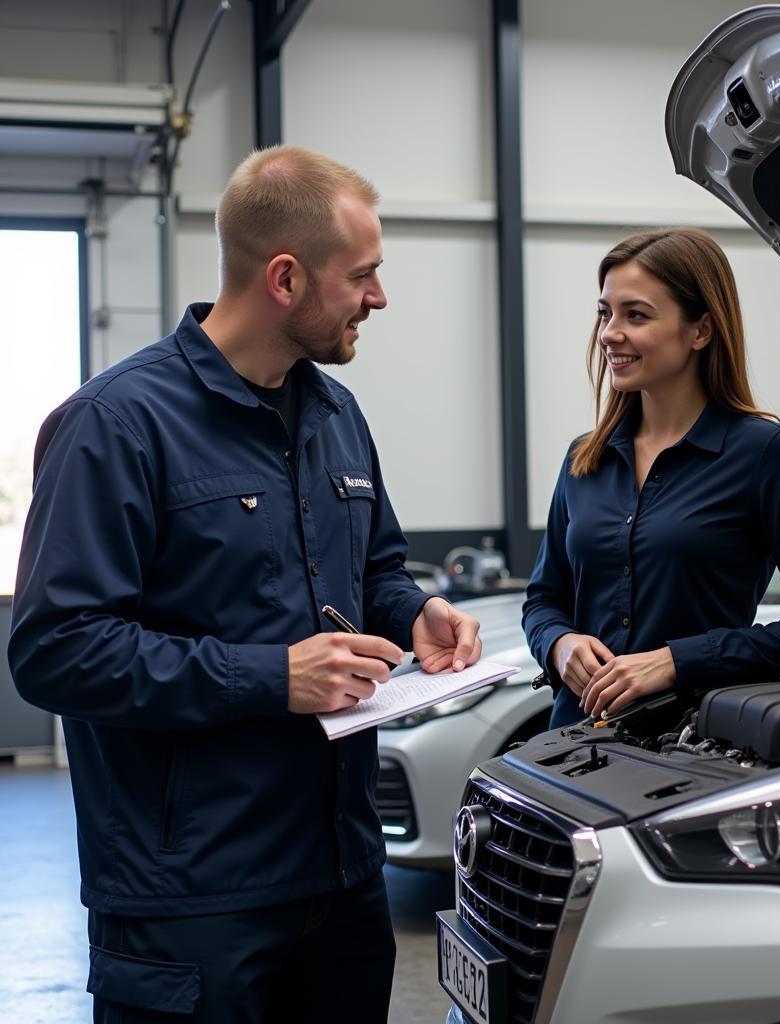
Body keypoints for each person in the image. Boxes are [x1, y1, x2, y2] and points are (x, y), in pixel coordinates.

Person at [7, 145, 482, 1023]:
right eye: (364, 276)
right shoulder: (114, 426)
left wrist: (417, 612)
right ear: (287, 277)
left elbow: (372, 569)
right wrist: (272, 677)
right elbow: (54, 650)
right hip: (191, 903)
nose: (379, 299)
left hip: (341, 880)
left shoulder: (336, 415)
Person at [523, 227, 780, 730]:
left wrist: (676, 661)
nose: (609, 333)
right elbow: (543, 599)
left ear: (700, 330)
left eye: (635, 315)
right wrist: (559, 643)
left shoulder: (765, 454)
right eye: (605, 313)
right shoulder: (584, 458)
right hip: (575, 744)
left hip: (696, 748)